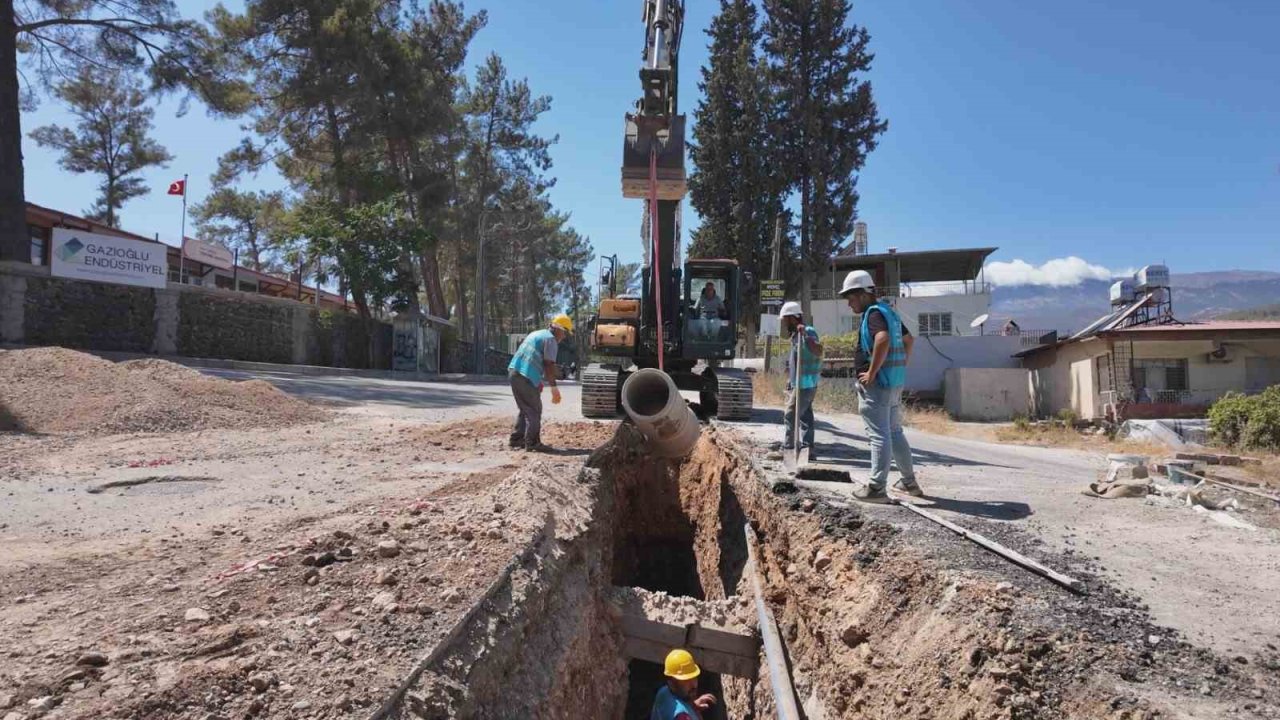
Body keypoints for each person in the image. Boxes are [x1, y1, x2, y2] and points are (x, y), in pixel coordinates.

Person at [838, 270, 924, 502]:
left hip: (878, 384)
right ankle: (909, 482)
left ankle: (876, 488)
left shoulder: (873, 314)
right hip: (894, 382)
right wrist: (902, 363)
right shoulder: (889, 312)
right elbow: (909, 340)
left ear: (864, 294)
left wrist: (872, 372)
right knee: (894, 432)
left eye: (851, 298)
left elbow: (882, 339)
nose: (849, 304)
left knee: (879, 435)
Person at [507, 314, 573, 452]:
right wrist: (554, 388)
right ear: (559, 329)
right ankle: (533, 443)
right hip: (525, 376)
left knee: (525, 408)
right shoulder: (551, 340)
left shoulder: (537, 333)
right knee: (534, 410)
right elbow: (548, 365)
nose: (564, 336)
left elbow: (534, 359)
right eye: (565, 332)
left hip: (514, 372)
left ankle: (517, 440)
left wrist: (538, 381)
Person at [779, 301, 822, 451]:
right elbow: (795, 360)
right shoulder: (795, 335)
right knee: (805, 417)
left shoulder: (808, 331)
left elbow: (818, 351)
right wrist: (790, 380)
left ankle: (788, 447)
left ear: (792, 318)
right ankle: (808, 448)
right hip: (799, 382)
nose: (784, 323)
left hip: (806, 383)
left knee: (790, 414)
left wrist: (805, 335)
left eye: (785, 320)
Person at [651, 649, 717, 720]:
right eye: (686, 681)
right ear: (671, 683)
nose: (693, 685)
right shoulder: (681, 716)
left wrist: (692, 707)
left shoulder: (663, 692)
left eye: (694, 678)